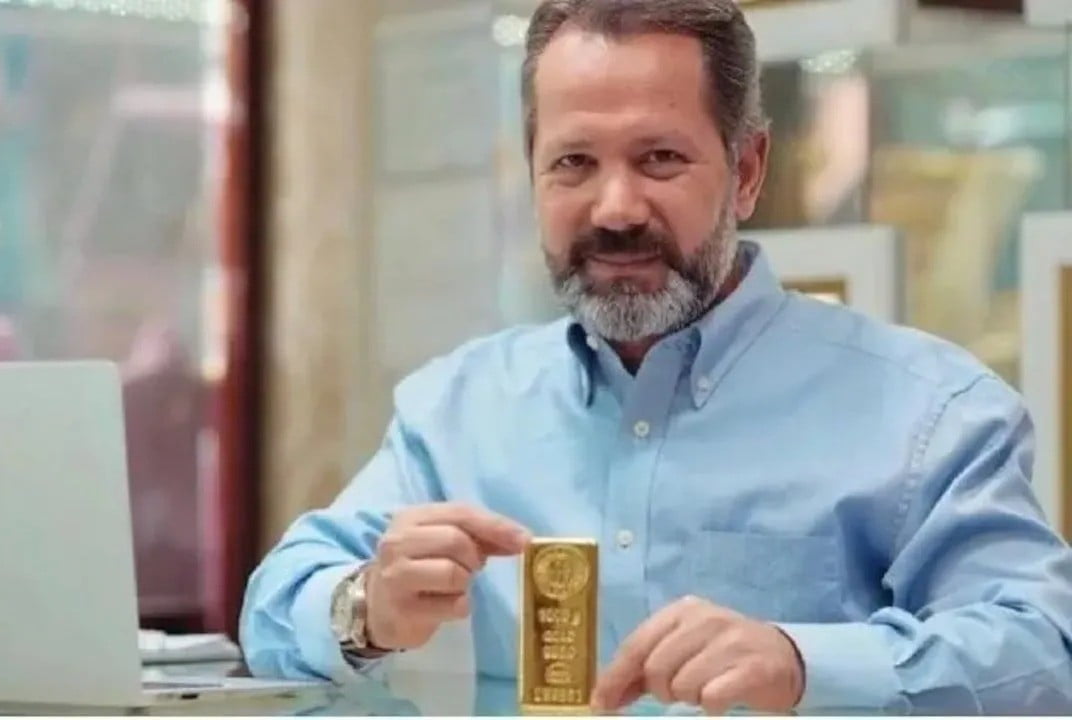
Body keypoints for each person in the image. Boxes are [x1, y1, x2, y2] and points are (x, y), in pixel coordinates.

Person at [239, 0, 1072, 714]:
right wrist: (365, 607)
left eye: (660, 159)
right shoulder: (457, 408)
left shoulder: (931, 411)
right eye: (574, 162)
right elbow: (276, 606)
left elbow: (1044, 651)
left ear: (747, 171)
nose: (615, 208)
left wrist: (802, 662)